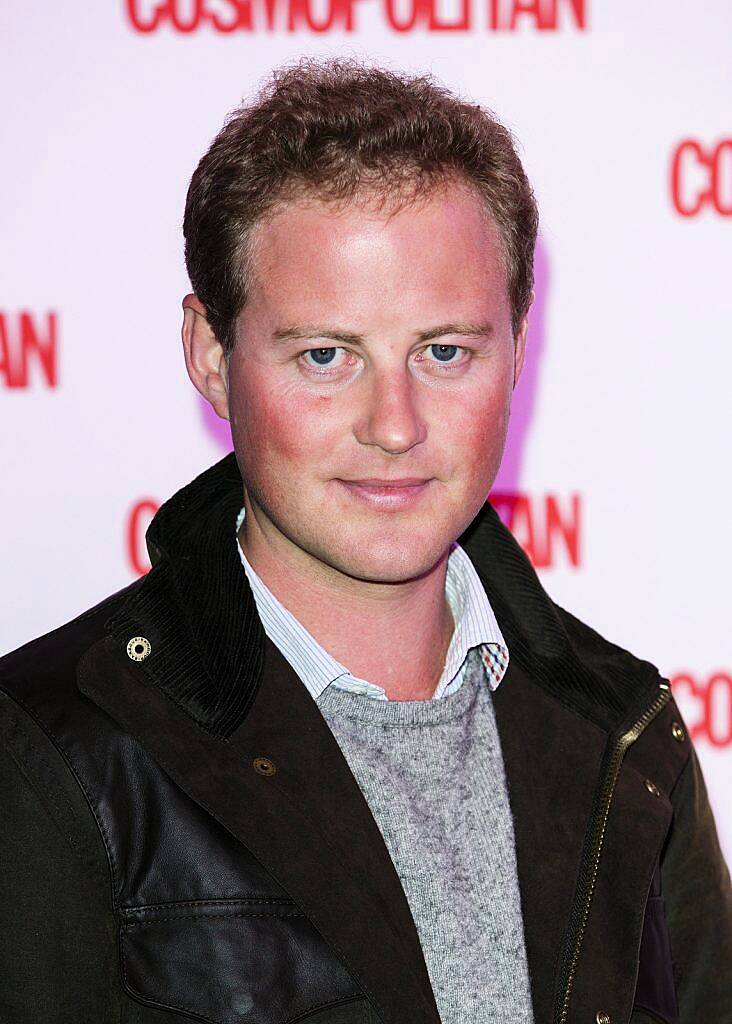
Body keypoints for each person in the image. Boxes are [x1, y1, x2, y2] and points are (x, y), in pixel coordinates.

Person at [1, 56, 730, 1024]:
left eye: (443, 351)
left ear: (519, 345)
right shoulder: (51, 750)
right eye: (325, 355)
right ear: (211, 358)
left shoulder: (627, 731)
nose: (395, 424)